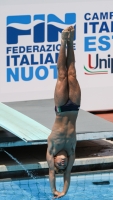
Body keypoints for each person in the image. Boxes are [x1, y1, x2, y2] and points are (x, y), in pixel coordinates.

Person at [46, 26, 81, 199]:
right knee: (72, 74)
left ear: (53, 162)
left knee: (62, 75)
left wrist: (55, 190)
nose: (62, 163)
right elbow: (68, 174)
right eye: (63, 165)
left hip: (60, 108)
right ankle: (71, 41)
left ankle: (63, 40)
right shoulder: (71, 151)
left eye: (59, 164)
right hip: (74, 106)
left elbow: (53, 174)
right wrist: (65, 191)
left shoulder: (52, 150)